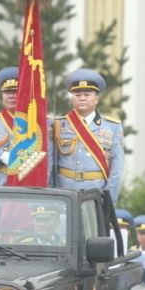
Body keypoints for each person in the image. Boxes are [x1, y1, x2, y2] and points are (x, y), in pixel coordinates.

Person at [53, 69, 125, 204]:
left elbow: (117, 168)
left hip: (96, 193)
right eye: (77, 94)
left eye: (87, 94)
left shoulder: (112, 127)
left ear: (96, 98)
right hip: (64, 192)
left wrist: (109, 200)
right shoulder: (58, 124)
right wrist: (52, 194)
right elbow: (51, 164)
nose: (82, 98)